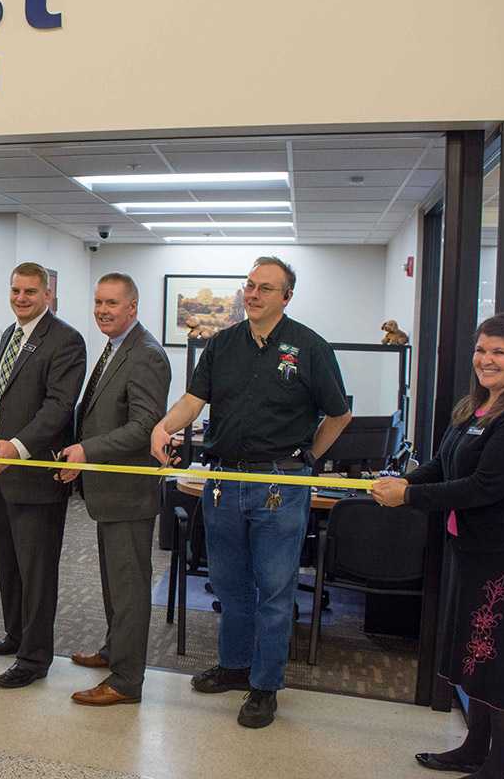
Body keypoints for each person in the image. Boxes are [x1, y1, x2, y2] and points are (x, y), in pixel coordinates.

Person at [150, 256, 352, 728]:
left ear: (286, 296)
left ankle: (265, 685)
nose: (253, 294)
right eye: (249, 286)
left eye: (265, 288)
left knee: (275, 592)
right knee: (229, 584)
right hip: (223, 483)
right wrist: (163, 426)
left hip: (280, 486)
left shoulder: (309, 347)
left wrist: (308, 460)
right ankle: (235, 665)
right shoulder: (222, 344)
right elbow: (192, 401)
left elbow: (339, 414)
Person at [372, 313, 504, 779]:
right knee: (479, 653)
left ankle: (497, 768)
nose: (485, 360)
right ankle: (474, 748)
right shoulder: (477, 407)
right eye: (481, 350)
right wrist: (403, 480)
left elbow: (482, 487)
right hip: (473, 551)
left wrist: (407, 496)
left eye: (499, 352)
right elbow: (443, 464)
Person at [56, 273, 170, 706]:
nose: (103, 310)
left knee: (129, 588)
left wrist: (87, 450)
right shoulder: (116, 347)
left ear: (133, 307)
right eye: (99, 302)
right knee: (113, 584)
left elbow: (143, 427)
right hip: (108, 492)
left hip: (129, 494)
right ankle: (113, 652)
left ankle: (125, 681)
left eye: (113, 304)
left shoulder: (146, 355)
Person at [0, 262, 86, 689]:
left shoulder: (65, 340)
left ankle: (35, 656)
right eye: (16, 291)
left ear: (47, 295)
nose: (21, 299)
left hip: (36, 477)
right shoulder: (10, 333)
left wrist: (16, 449)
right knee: (9, 564)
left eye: (30, 292)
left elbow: (58, 407)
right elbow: (3, 401)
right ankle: (15, 635)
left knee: (38, 571)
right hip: (0, 472)